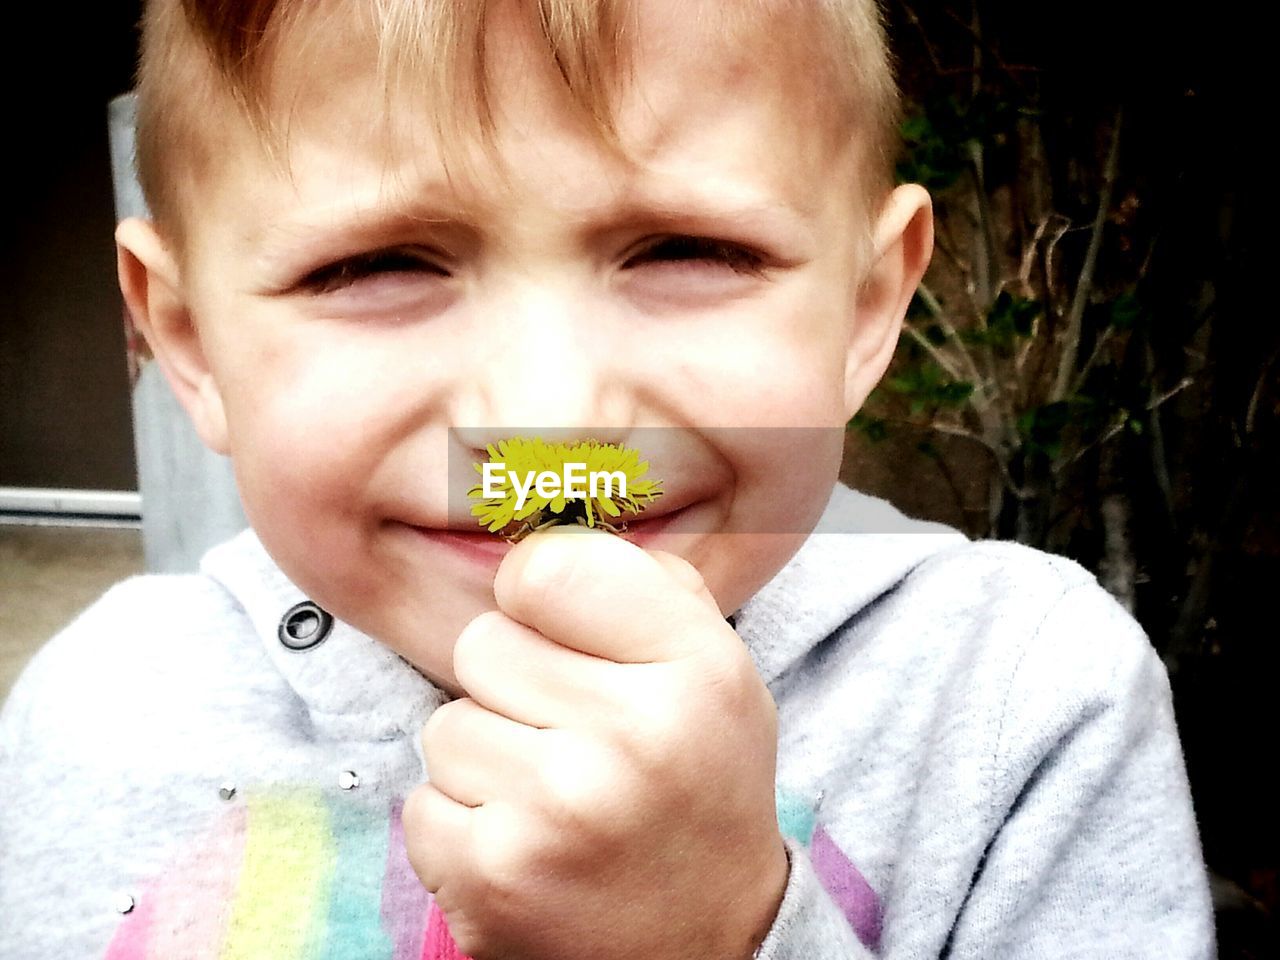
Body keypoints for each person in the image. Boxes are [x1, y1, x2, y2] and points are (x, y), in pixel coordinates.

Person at [0, 1, 1216, 957]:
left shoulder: (1018, 703)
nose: (544, 425)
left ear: (861, 308)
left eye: (687, 249)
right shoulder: (94, 711)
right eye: (377, 264)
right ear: (189, 342)